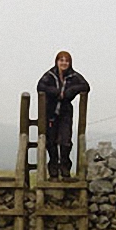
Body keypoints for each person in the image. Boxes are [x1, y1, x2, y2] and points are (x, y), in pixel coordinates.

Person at [37, 51, 90, 181]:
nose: (64, 63)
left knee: (65, 141)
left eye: (66, 61)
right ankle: (53, 171)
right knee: (51, 142)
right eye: (61, 60)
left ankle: (65, 170)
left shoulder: (73, 75)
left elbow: (86, 86)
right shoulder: (50, 75)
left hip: (65, 112)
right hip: (50, 112)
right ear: (56, 62)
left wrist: (70, 91)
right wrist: (56, 93)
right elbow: (40, 86)